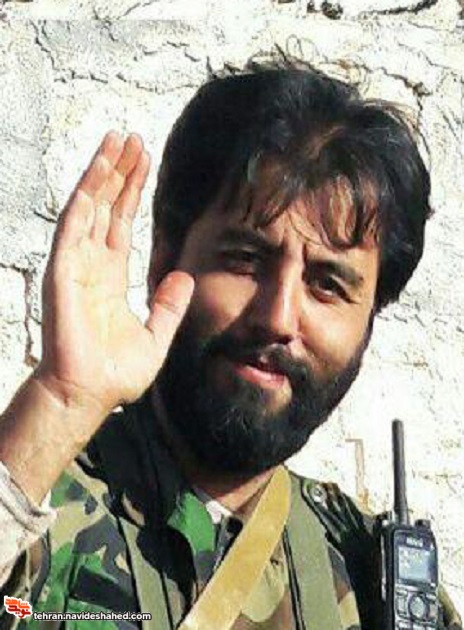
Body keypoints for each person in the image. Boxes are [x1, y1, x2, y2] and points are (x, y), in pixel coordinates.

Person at [0, 61, 462, 630]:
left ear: (369, 321)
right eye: (245, 260)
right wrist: (61, 401)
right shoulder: (39, 508)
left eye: (327, 285)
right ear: (164, 258)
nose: (278, 318)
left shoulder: (371, 580)